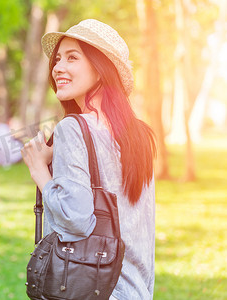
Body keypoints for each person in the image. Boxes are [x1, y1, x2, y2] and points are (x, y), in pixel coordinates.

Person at [21, 19, 156, 300]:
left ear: (100, 68)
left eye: (73, 58)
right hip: (136, 291)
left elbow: (76, 220)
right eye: (58, 59)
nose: (58, 67)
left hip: (92, 290)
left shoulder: (72, 128)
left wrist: (39, 172)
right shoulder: (139, 136)